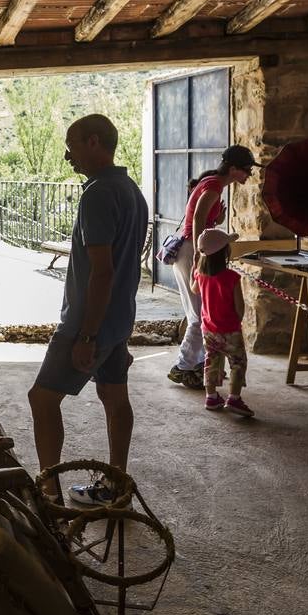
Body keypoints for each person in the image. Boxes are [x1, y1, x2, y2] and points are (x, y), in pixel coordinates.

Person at [27, 114, 148, 506]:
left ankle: (50, 494)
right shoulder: (131, 190)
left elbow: (103, 272)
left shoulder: (97, 194)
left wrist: (87, 335)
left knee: (42, 400)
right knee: (115, 398)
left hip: (89, 321)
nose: (68, 156)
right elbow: (127, 266)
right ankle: (117, 485)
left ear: (94, 142)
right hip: (117, 320)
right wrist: (114, 333)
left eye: (72, 145)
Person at [169, 147, 259, 390]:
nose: (248, 176)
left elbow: (203, 217)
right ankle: (184, 366)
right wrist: (201, 254)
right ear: (233, 169)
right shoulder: (214, 186)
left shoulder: (211, 181)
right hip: (191, 250)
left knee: (197, 314)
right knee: (200, 317)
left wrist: (216, 222)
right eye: (246, 170)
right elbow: (198, 218)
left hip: (189, 249)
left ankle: (198, 363)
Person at [191, 228, 253, 417]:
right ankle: (234, 398)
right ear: (224, 252)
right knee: (238, 363)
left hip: (208, 329)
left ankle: (211, 396)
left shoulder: (201, 275)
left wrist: (193, 270)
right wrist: (237, 321)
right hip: (230, 330)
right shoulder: (232, 277)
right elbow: (239, 308)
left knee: (212, 361)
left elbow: (194, 290)